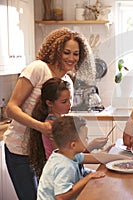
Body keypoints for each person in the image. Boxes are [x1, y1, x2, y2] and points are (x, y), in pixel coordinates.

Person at [3, 27, 92, 200]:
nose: (71, 58)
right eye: (67, 52)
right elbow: (11, 108)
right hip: (20, 150)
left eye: (76, 54)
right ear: (56, 50)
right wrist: (41, 127)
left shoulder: (67, 82)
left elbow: (60, 121)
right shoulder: (38, 69)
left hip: (45, 153)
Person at [28, 77, 109, 180]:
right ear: (49, 103)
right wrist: (93, 147)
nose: (69, 104)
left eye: (70, 99)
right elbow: (69, 156)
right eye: (64, 102)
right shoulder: (52, 126)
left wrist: (101, 153)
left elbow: (73, 153)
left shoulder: (59, 120)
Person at [37, 116, 127, 200]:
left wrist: (122, 157)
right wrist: (88, 178)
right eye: (85, 138)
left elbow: (96, 158)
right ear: (73, 145)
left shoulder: (67, 154)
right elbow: (61, 196)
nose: (87, 141)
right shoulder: (64, 165)